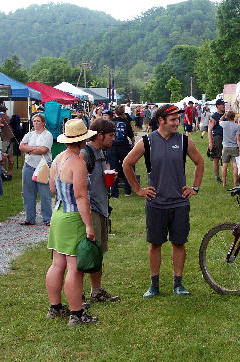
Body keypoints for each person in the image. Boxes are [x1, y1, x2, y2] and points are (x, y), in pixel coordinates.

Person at [123, 104, 204, 297]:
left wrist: (195, 188)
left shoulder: (185, 141)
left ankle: (178, 284)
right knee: (155, 243)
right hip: (156, 203)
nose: (178, 123)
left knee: (179, 243)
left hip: (179, 203)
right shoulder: (147, 142)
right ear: (161, 120)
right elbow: (127, 163)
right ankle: (154, 285)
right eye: (174, 120)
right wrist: (138, 189)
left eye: (178, 119)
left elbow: (200, 162)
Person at [46, 118, 98, 326]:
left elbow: (51, 188)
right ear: (83, 140)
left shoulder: (58, 158)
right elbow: (81, 196)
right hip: (72, 217)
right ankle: (76, 314)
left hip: (58, 214)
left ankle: (55, 307)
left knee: (57, 263)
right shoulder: (78, 162)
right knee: (74, 267)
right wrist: (88, 225)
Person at [81, 118, 120, 302]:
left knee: (98, 253)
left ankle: (96, 291)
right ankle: (79, 294)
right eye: (111, 135)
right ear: (99, 135)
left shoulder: (101, 153)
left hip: (102, 207)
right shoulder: (85, 154)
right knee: (87, 253)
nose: (114, 139)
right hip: (91, 209)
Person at [18, 113, 53, 226]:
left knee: (44, 193)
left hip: (43, 165)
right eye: (34, 121)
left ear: (43, 122)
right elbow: (21, 146)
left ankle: (47, 218)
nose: (36, 123)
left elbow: (43, 149)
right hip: (29, 164)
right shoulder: (29, 134)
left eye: (38, 121)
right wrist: (34, 149)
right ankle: (30, 218)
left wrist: (29, 149)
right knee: (28, 192)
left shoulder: (48, 135)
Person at [107, 105, 135, 198]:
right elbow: (131, 135)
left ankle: (114, 193)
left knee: (113, 169)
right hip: (124, 147)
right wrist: (133, 143)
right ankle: (127, 191)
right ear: (123, 112)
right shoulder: (126, 122)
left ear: (115, 112)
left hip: (112, 147)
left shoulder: (110, 122)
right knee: (127, 167)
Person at [220, 111, 240, 187]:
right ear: (234, 117)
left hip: (226, 147)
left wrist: (224, 115)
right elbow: (238, 139)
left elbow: (220, 120)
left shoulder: (224, 124)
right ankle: (235, 184)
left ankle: (224, 183)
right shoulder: (237, 126)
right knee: (235, 166)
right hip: (234, 147)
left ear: (227, 117)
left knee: (224, 165)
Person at [208, 99, 226, 183]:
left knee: (225, 158)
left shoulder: (226, 115)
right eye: (222, 104)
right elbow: (209, 130)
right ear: (218, 106)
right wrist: (210, 142)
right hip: (217, 137)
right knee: (217, 158)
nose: (223, 106)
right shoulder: (214, 116)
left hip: (226, 137)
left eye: (224, 104)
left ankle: (224, 176)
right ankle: (217, 176)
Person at [0, 105, 16, 179]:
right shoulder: (8, 117)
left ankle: (3, 173)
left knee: (3, 157)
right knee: (10, 157)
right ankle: (9, 172)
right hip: (10, 139)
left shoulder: (2, 118)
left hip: (5, 139)